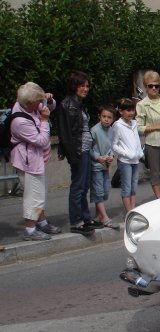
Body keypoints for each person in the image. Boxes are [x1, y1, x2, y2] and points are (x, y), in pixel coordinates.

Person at [9, 82, 62, 241]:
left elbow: (48, 108)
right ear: (29, 103)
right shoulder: (19, 121)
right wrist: (45, 121)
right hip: (28, 162)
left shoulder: (26, 105)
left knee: (40, 194)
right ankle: (30, 230)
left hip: (36, 159)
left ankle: (42, 221)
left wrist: (49, 101)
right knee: (33, 196)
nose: (40, 104)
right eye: (37, 102)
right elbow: (40, 140)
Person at [58, 71, 101, 235]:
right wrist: (69, 153)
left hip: (85, 149)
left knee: (84, 186)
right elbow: (65, 131)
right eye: (82, 85)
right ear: (74, 86)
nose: (86, 89)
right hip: (78, 150)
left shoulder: (79, 104)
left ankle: (85, 217)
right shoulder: (67, 104)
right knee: (78, 186)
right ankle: (77, 221)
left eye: (87, 86)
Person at [112, 98, 144, 213]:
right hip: (125, 161)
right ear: (121, 111)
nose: (131, 113)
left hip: (135, 160)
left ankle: (133, 209)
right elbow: (114, 145)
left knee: (134, 186)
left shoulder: (134, 123)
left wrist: (140, 152)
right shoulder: (117, 125)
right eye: (128, 110)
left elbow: (137, 140)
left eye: (132, 110)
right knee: (126, 187)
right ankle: (129, 211)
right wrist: (127, 154)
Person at [90, 105, 119, 229]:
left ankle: (98, 216)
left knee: (104, 190)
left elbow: (112, 146)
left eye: (109, 117)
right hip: (96, 165)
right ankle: (105, 218)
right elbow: (89, 148)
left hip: (105, 165)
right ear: (99, 116)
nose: (106, 119)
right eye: (104, 116)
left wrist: (111, 155)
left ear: (113, 119)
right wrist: (97, 157)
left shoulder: (112, 130)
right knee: (98, 191)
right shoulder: (94, 130)